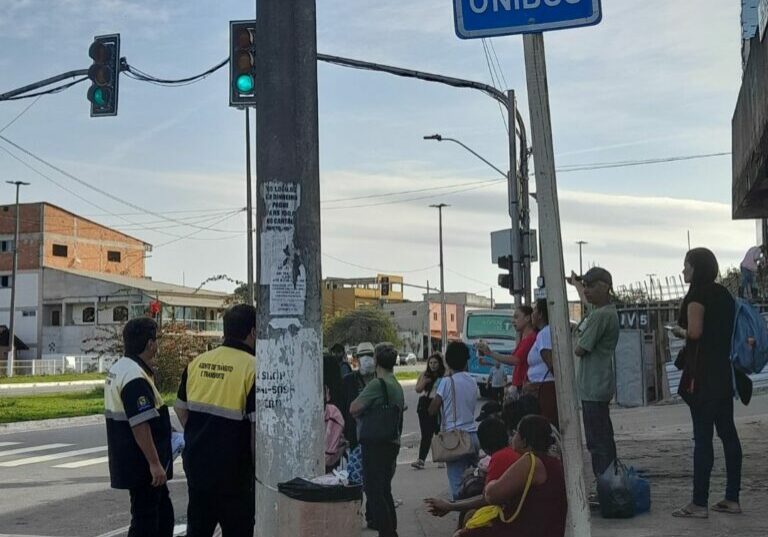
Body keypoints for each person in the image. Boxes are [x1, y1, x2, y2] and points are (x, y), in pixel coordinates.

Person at [671, 248, 743, 519]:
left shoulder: (697, 297)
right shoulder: (724, 295)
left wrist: (679, 331)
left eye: (686, 266)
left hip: (702, 378)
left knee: (702, 438)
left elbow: (695, 333)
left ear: (696, 269)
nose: (683, 271)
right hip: (724, 373)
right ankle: (732, 497)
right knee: (728, 434)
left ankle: (699, 503)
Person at [175, 304, 256, 537]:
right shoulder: (253, 368)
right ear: (252, 332)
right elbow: (255, 430)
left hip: (198, 465)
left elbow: (180, 409)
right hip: (234, 473)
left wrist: (201, 435)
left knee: (198, 529)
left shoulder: (197, 363)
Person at [104, 317, 173, 537]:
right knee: (145, 521)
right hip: (141, 463)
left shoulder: (122, 368)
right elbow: (139, 424)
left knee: (162, 513)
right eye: (156, 340)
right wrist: (154, 464)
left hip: (131, 457)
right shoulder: (134, 376)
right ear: (151, 344)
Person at [455, 415, 567, 537]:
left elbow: (492, 495)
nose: (512, 436)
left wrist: (491, 484)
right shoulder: (552, 462)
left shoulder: (531, 462)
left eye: (516, 433)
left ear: (524, 441)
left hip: (527, 529)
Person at [568, 267, 620, 478]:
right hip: (597, 385)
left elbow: (580, 348)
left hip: (594, 386)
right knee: (603, 438)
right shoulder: (604, 311)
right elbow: (587, 301)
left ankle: (607, 486)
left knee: (598, 442)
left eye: (590, 286)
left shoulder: (600, 316)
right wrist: (576, 285)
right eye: (585, 286)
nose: (586, 290)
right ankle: (609, 482)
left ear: (605, 287)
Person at [424, 417, 521, 526]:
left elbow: (487, 498)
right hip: (513, 509)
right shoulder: (510, 453)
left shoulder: (500, 457)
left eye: (517, 433)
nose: (514, 435)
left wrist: (451, 506)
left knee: (469, 518)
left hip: (509, 515)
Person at [350, 343, 405, 537]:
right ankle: (391, 529)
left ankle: (387, 531)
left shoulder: (377, 384)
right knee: (384, 489)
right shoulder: (396, 385)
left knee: (373, 491)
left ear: (376, 360)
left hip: (375, 444)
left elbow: (354, 408)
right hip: (391, 442)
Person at [429, 341, 481, 500]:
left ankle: (462, 516)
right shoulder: (472, 381)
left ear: (447, 362)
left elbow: (432, 409)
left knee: (458, 487)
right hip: (473, 436)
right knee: (474, 482)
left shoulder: (446, 382)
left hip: (455, 439)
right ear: (466, 360)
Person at [477, 306, 537, 399]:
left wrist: (490, 353)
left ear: (527, 318)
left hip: (524, 386)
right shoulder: (524, 338)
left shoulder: (530, 338)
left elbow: (515, 360)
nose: (513, 321)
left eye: (516, 317)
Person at [524, 300, 559, 429]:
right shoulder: (544, 332)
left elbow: (550, 361)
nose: (532, 314)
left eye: (534, 310)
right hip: (543, 387)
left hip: (545, 388)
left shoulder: (545, 333)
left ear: (540, 314)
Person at [412, 352, 446, 470]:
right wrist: (425, 382)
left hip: (436, 404)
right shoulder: (425, 375)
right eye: (431, 363)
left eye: (435, 362)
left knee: (438, 431)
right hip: (424, 404)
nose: (433, 365)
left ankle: (441, 458)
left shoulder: (444, 376)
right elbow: (418, 389)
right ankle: (421, 460)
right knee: (426, 434)